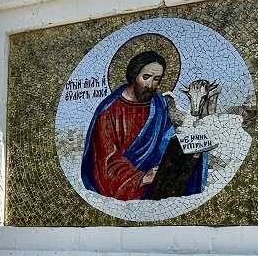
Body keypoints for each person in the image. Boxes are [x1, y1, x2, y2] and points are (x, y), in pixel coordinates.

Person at [80, 51, 206, 200]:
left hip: (156, 176)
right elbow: (106, 160)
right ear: (134, 76)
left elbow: (168, 139)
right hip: (124, 182)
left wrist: (188, 153)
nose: (150, 85)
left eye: (156, 79)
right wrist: (141, 178)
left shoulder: (158, 104)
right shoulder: (109, 112)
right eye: (146, 77)